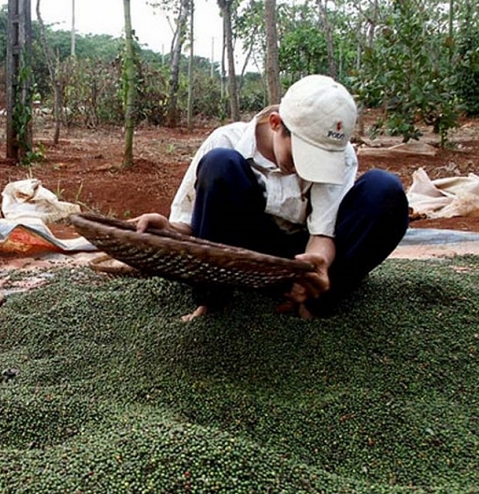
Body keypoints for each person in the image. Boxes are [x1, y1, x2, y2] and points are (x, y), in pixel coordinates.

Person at [132, 74, 409, 320]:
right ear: (276, 124)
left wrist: (316, 264)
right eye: (300, 156)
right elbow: (194, 224)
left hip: (298, 256)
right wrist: (167, 229)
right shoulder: (226, 140)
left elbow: (322, 234)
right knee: (220, 164)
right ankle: (212, 300)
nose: (303, 169)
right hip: (242, 252)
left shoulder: (341, 155)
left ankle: (312, 299)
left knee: (385, 190)